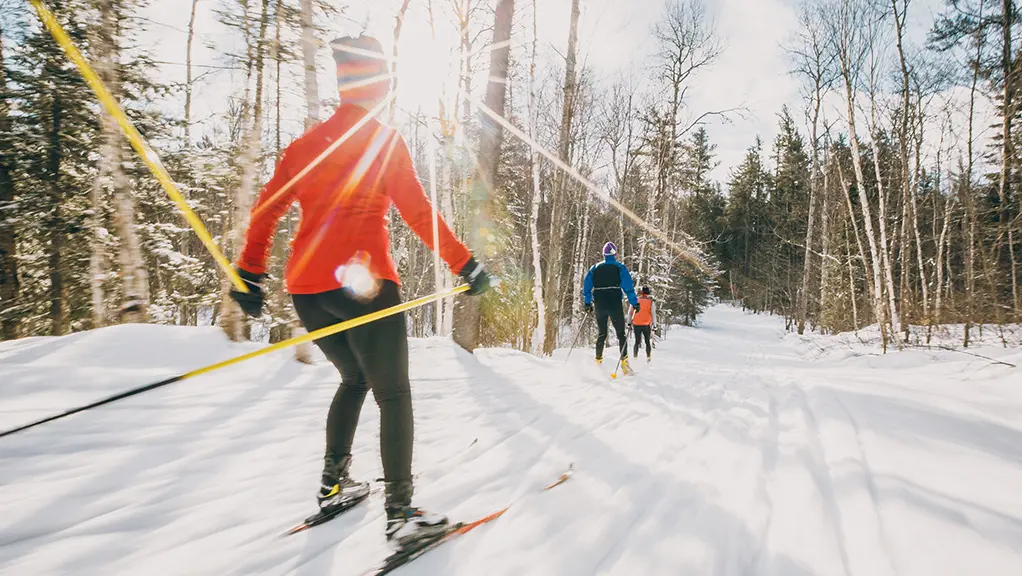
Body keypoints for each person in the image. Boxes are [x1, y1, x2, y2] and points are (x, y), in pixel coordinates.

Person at [228, 34, 496, 549]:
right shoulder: (383, 141)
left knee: (353, 379)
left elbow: (266, 211)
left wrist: (250, 274)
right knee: (393, 392)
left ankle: (333, 487)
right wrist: (465, 264)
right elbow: (420, 215)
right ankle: (401, 516)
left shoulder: (304, 147)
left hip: (308, 290)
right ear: (380, 86)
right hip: (365, 287)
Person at [582, 242, 639, 371]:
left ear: (604, 254)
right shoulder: (620, 267)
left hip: (600, 304)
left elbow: (587, 287)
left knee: (602, 333)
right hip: (615, 304)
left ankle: (598, 361)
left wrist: (587, 302)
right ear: (615, 254)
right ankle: (624, 364)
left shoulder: (595, 268)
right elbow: (628, 287)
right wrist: (634, 302)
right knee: (621, 334)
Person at [630, 286, 657, 362]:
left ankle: (635, 357)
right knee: (647, 341)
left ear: (641, 292)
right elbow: (653, 314)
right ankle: (648, 357)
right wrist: (654, 325)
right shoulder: (650, 302)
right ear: (648, 293)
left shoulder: (635, 300)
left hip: (636, 323)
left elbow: (630, 312)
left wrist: (629, 323)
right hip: (646, 324)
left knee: (637, 341)